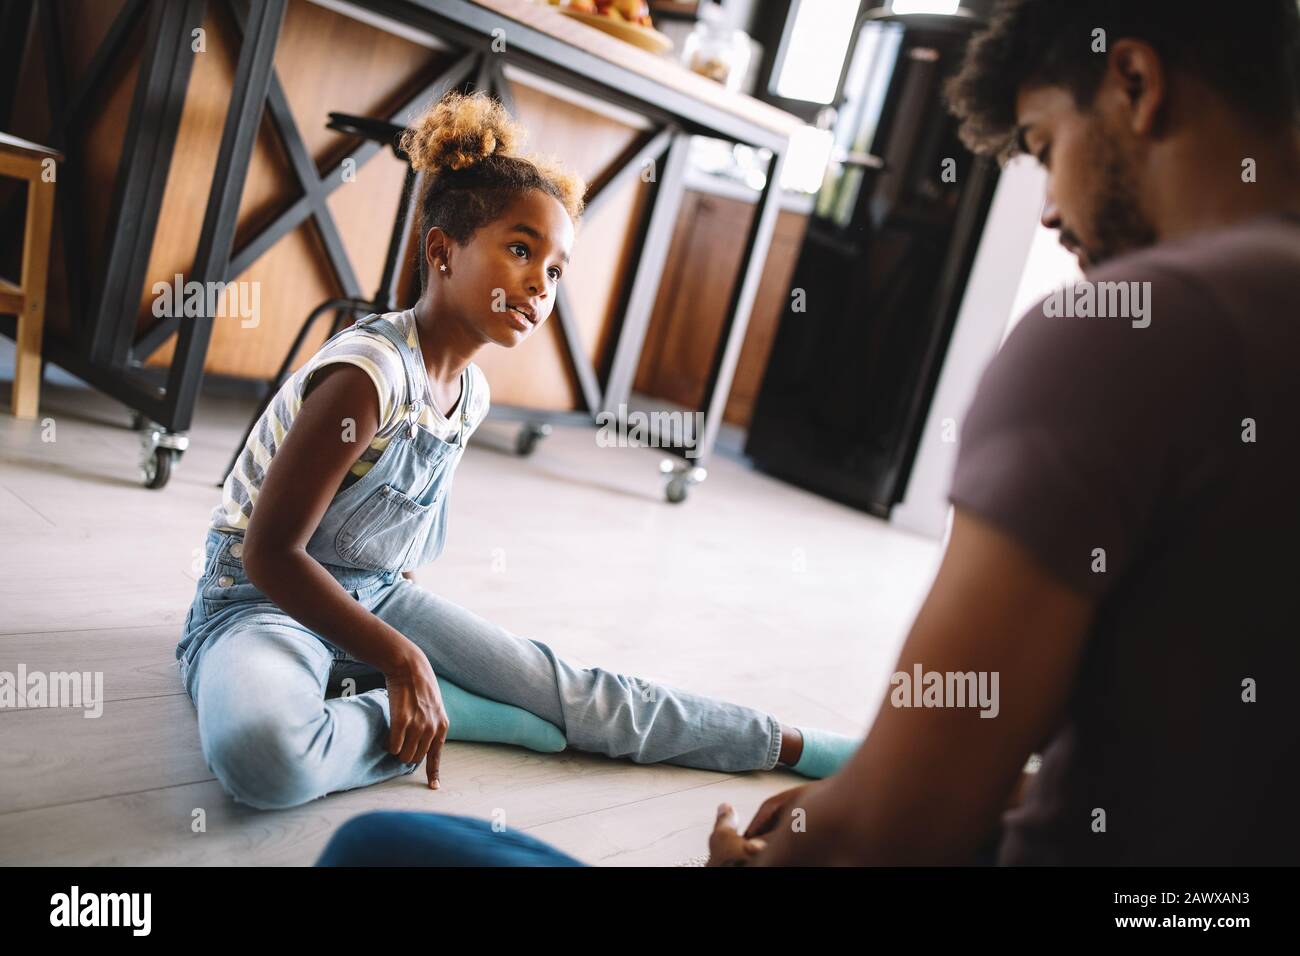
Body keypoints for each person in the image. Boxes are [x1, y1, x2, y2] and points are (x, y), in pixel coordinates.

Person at [318, 0, 1300, 866]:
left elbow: (889, 837)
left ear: (1132, 80)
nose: (1047, 209)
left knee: (375, 845)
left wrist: (808, 841)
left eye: (1042, 148)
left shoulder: (1125, 337)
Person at [174, 91, 858, 813]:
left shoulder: (469, 395)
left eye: (557, 270)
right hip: (260, 605)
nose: (541, 284)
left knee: (571, 692)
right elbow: (268, 555)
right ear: (442, 251)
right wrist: (402, 657)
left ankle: (788, 744)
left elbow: (396, 551)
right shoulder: (367, 376)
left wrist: (406, 636)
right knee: (265, 756)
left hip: (374, 598)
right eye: (522, 250)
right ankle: (449, 715)